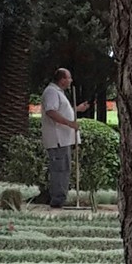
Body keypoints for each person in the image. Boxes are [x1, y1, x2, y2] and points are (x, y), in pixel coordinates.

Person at [40, 65, 79, 209]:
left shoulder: (58, 92)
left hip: (63, 139)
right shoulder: (51, 92)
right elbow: (51, 111)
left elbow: (60, 110)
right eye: (69, 78)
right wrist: (70, 123)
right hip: (57, 139)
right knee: (60, 169)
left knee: (64, 168)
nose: (71, 80)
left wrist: (77, 110)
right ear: (62, 79)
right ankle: (57, 200)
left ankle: (60, 197)